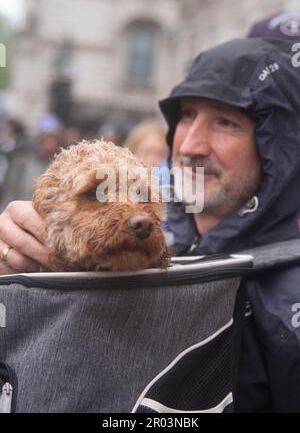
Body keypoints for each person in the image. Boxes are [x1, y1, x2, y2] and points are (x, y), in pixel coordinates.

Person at [0, 37, 300, 412]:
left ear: (278, 146)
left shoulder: (288, 299)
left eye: (226, 122)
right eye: (186, 116)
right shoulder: (145, 235)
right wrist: (15, 275)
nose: (190, 145)